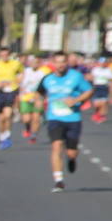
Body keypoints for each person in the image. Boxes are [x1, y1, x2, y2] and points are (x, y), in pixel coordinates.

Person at [40, 50, 93, 192]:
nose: (60, 65)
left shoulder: (76, 77)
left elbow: (88, 90)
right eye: (57, 62)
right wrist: (39, 107)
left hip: (73, 118)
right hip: (54, 118)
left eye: (63, 61)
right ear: (53, 63)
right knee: (56, 146)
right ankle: (58, 180)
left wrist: (75, 100)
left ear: (67, 63)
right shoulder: (47, 79)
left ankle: (72, 159)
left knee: (71, 152)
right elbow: (39, 93)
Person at [0, 46, 23, 149]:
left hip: (11, 90)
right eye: (2, 55)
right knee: (1, 117)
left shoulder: (15, 64)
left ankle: (7, 136)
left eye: (6, 55)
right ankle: (2, 137)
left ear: (9, 55)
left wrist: (16, 82)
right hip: (0, 92)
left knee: (8, 114)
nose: (4, 57)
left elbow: (21, 74)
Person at [18, 54, 46, 143]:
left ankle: (34, 135)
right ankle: (28, 128)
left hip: (37, 98)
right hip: (26, 97)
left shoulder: (42, 73)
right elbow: (19, 82)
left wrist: (43, 97)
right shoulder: (25, 71)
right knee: (27, 119)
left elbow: (45, 87)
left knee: (36, 118)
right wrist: (21, 91)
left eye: (37, 63)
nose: (35, 64)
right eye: (33, 62)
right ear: (30, 63)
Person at [89, 55, 112, 122]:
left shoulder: (108, 70)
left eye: (104, 62)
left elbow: (111, 81)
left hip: (104, 87)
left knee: (104, 102)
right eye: (101, 62)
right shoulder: (95, 70)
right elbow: (91, 78)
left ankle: (101, 115)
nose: (102, 64)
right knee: (96, 104)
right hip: (97, 87)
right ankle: (97, 113)